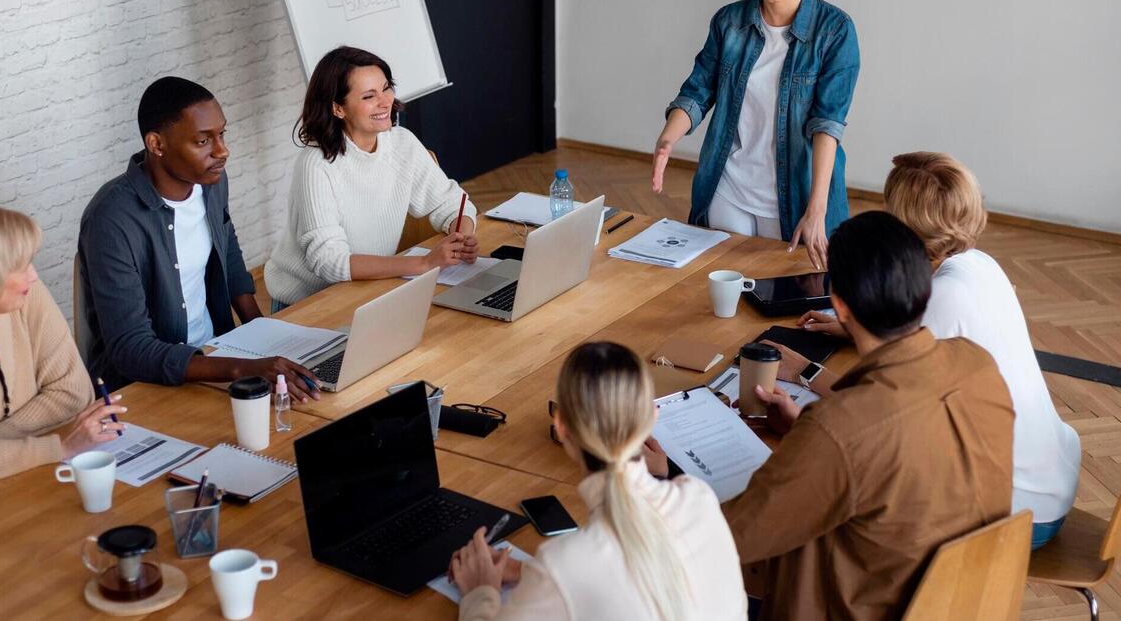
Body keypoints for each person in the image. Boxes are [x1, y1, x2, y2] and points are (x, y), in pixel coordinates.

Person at [723, 211, 1014, 619]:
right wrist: (805, 437)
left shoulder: (840, 429)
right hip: (965, 600)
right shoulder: (978, 365)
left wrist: (667, 477)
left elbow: (733, 538)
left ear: (838, 305)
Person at [796, 152, 1080, 550]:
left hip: (1019, 512)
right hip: (1050, 477)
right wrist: (853, 329)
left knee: (850, 495)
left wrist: (800, 371)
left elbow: (874, 408)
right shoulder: (979, 264)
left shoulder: (944, 295)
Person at [447, 342, 746, 621]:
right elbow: (636, 573)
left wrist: (479, 591)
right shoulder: (699, 497)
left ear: (561, 426)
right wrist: (531, 574)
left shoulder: (564, 564)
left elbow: (598, 572)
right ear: (652, 418)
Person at [652, 0, 859, 269]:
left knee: (786, 305)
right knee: (718, 297)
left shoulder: (834, 31)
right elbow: (698, 91)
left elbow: (827, 127)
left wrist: (816, 210)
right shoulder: (729, 22)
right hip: (727, 189)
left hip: (796, 197)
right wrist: (668, 138)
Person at [79, 77, 320, 400]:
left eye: (221, 134)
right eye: (202, 141)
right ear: (157, 144)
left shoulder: (210, 183)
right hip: (149, 387)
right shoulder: (112, 219)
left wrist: (264, 337)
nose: (222, 151)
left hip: (217, 353)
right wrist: (240, 368)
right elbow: (131, 349)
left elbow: (227, 249)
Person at [0, 203, 127, 487]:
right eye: (21, 267)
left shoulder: (26, 295)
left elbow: (74, 392)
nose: (34, 275)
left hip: (14, 478)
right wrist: (58, 448)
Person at [265, 47, 478, 309]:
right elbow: (329, 261)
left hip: (368, 289)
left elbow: (452, 202)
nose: (385, 101)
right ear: (338, 108)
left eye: (386, 88)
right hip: (308, 305)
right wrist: (424, 263)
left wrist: (462, 238)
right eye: (369, 96)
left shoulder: (402, 143)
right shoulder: (316, 164)